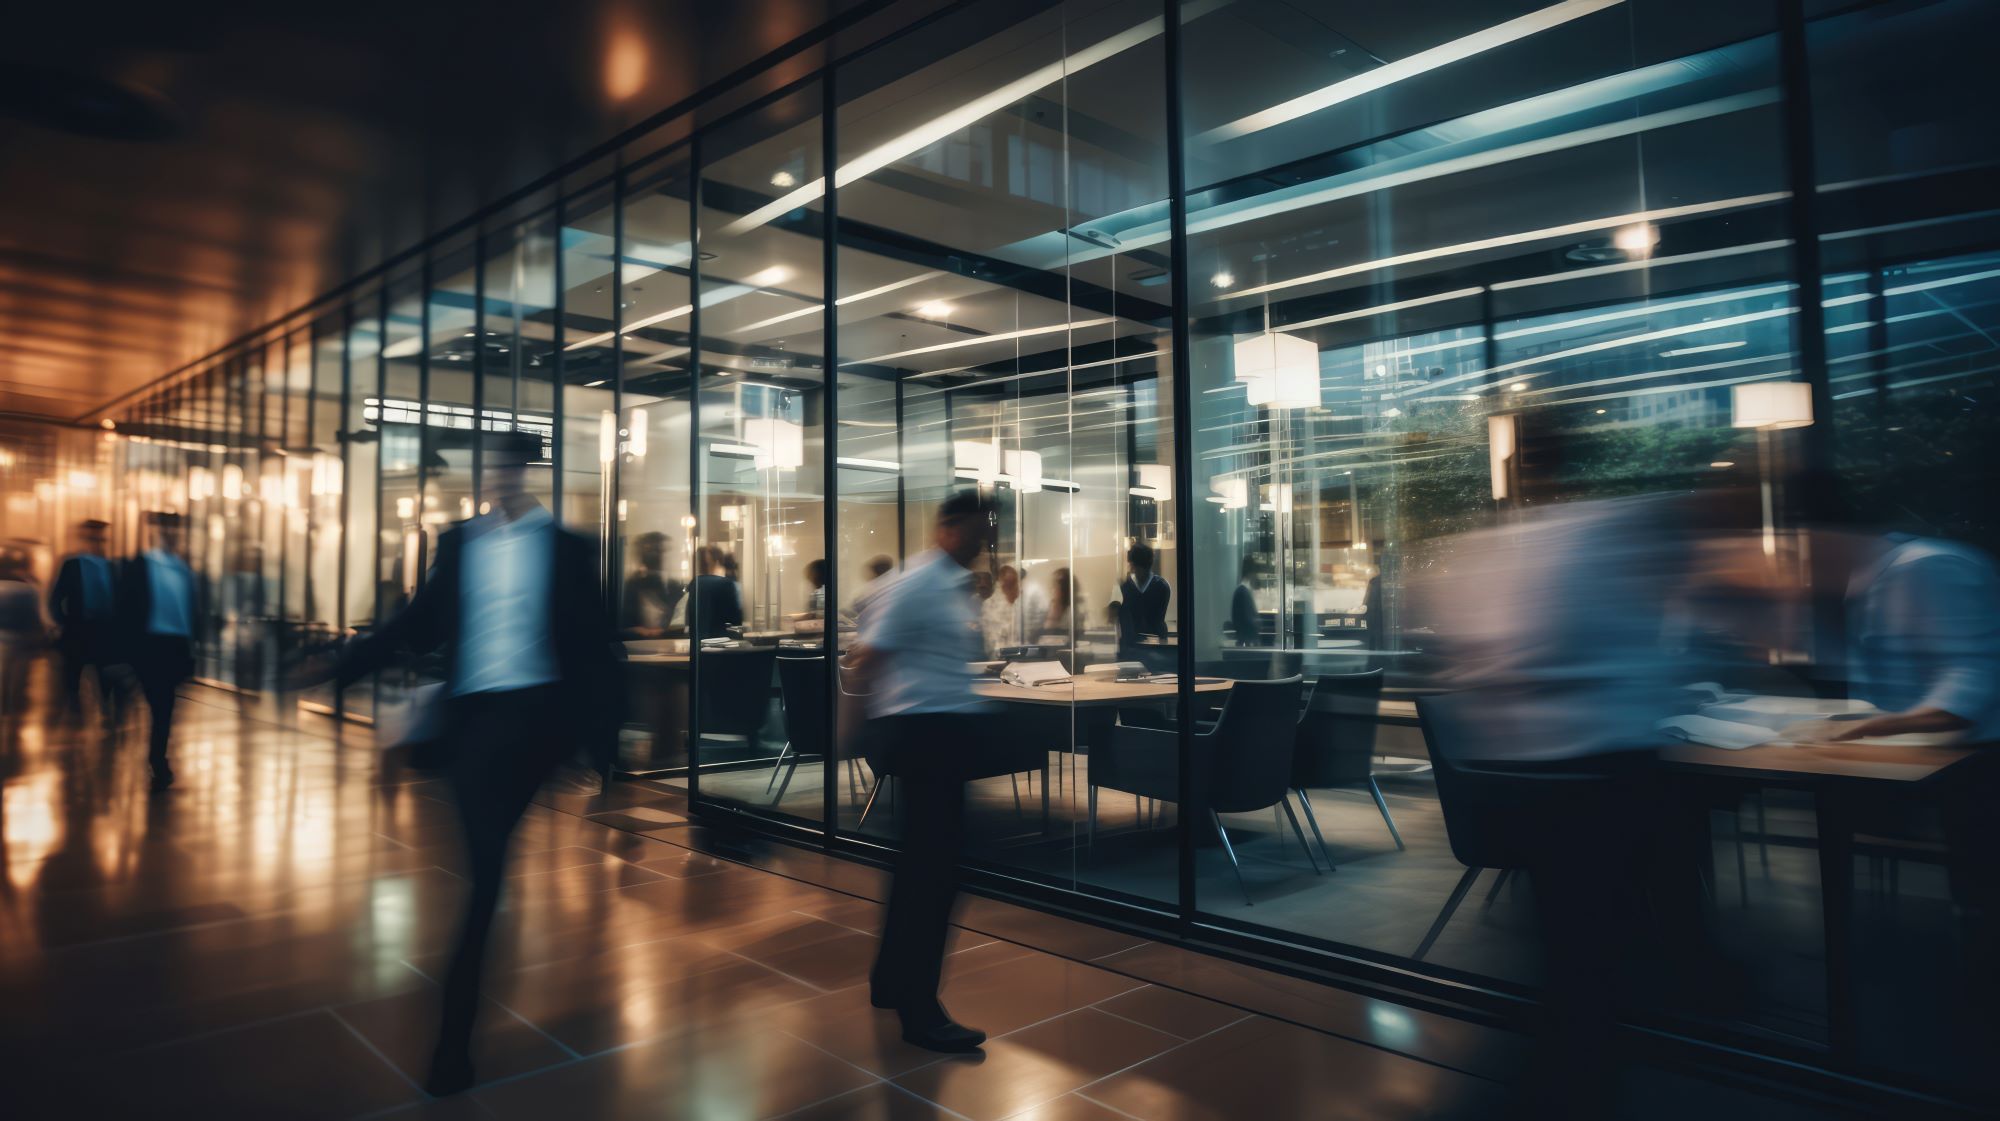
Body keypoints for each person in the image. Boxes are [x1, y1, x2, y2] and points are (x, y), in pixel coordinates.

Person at [308, 430, 622, 1095]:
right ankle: (454, 1040)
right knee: (485, 877)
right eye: (487, 469)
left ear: (524, 471)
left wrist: (602, 744)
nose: (495, 478)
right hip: (476, 726)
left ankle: (459, 1026)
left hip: (539, 725)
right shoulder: (459, 544)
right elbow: (417, 623)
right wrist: (342, 666)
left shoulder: (567, 548)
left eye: (506, 467)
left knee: (490, 870)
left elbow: (596, 643)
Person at [849, 489, 994, 1053]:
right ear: (949, 528)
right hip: (924, 737)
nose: (985, 543)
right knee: (934, 875)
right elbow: (867, 658)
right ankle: (919, 1009)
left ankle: (891, 983)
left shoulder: (953, 584)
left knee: (921, 870)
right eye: (978, 531)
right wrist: (850, 734)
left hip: (942, 735)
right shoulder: (916, 584)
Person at [115, 513, 196, 790]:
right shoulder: (143, 565)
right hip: (151, 643)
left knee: (163, 706)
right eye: (167, 531)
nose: (172, 536)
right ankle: (157, 758)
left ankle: (157, 757)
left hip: (172, 645)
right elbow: (126, 608)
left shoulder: (182, 569)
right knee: (162, 704)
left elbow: (189, 611)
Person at [49, 519, 117, 724]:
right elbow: (55, 598)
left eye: (100, 538)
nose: (96, 542)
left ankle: (105, 712)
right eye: (92, 537)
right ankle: (74, 713)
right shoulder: (72, 564)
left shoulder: (110, 566)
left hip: (103, 629)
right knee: (73, 674)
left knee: (104, 674)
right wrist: (63, 622)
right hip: (78, 628)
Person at [0, 550, 44, 719]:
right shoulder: (28, 589)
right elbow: (33, 618)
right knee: (18, 679)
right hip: (20, 641)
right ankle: (13, 709)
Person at [1113, 541, 1170, 661]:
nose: (1133, 568)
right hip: (1130, 651)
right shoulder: (1124, 587)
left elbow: (1157, 619)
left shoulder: (1161, 586)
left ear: (1132, 564)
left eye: (1133, 565)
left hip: (1155, 650)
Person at [621, 531, 682, 638]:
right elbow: (624, 623)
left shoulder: (674, 586)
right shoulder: (632, 585)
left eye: (661, 551)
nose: (658, 556)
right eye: (652, 551)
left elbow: (679, 622)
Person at [689, 545, 743, 640]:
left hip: (697, 643)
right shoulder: (726, 584)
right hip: (721, 642)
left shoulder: (694, 584)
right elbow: (735, 618)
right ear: (717, 562)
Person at [1230, 555, 1263, 647]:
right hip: (1247, 642)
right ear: (1251, 572)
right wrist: (1259, 623)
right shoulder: (1243, 592)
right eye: (1255, 572)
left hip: (1245, 640)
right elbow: (1248, 620)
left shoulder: (1242, 591)